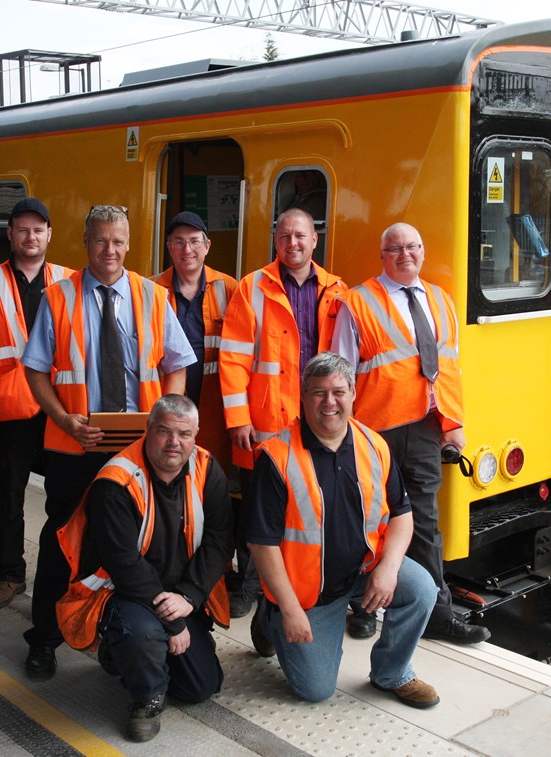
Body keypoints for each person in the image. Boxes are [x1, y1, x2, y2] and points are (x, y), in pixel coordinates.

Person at [19, 204, 196, 681]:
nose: (110, 250)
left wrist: (166, 422)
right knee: (63, 542)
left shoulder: (153, 297)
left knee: (131, 546)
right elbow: (35, 369)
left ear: (129, 243)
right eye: (100, 240)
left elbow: (176, 362)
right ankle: (44, 638)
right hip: (75, 446)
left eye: (118, 241)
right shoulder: (58, 297)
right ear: (85, 242)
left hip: (138, 450)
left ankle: (113, 633)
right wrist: (63, 418)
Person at [244, 353, 440, 708]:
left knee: (421, 589)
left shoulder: (373, 445)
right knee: (315, 691)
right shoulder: (276, 457)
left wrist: (389, 568)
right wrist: (289, 609)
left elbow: (402, 514)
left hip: (364, 571)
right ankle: (271, 617)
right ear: (303, 398)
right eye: (318, 393)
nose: (329, 402)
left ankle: (392, 673)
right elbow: (261, 544)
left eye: (338, 391)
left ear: (352, 394)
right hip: (308, 592)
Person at [331, 222, 489, 646]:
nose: (406, 255)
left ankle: (438, 616)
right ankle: (363, 607)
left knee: (423, 523)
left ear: (422, 251)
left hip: (423, 429)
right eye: (396, 248)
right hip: (371, 432)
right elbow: (340, 372)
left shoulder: (440, 299)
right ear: (383, 255)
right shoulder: (358, 302)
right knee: (366, 521)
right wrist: (340, 435)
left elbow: (451, 370)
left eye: (413, 247)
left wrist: (454, 427)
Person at [54, 395, 232, 743]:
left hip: (180, 591)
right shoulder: (115, 482)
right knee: (142, 634)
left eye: (184, 434)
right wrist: (175, 622)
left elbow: (219, 539)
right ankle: (145, 698)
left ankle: (131, 656)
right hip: (124, 594)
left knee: (200, 687)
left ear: (196, 436)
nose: (173, 443)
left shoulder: (207, 470)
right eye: (164, 431)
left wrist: (189, 596)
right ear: (148, 431)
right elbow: (124, 565)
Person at [218, 207, 347, 621]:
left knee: (306, 510)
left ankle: (290, 595)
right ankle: (252, 586)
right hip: (266, 427)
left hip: (319, 423)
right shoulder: (252, 286)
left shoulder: (337, 290)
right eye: (285, 237)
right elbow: (233, 358)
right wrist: (239, 419)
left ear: (315, 241)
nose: (293, 243)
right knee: (259, 510)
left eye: (300, 236)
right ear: (276, 242)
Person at [0, 197, 75, 611]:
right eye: (23, 229)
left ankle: (65, 577)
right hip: (6, 415)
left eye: (38, 229)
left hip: (59, 412)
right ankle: (10, 575)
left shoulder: (69, 281)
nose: (31, 236)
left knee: (65, 498)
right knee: (8, 497)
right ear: (10, 234)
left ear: (49, 235)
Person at [153, 211, 238, 473]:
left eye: (194, 241)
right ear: (169, 248)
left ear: (207, 246)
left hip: (214, 408)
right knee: (167, 475)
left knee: (211, 478)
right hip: (165, 402)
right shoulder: (151, 290)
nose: (186, 249)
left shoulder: (229, 288)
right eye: (178, 242)